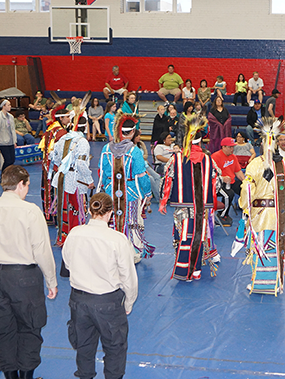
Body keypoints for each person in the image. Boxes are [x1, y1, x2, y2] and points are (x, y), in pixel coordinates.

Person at [0, 165, 58, 379]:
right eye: (27, 185)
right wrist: (51, 280)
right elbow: (41, 250)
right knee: (30, 328)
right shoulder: (30, 211)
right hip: (24, 278)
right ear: (21, 184)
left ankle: (10, 377)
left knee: (2, 329)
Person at [63, 193, 138, 379]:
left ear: (89, 210)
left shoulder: (74, 233)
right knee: (115, 348)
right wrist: (128, 302)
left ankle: (85, 376)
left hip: (79, 300)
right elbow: (128, 277)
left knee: (84, 346)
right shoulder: (118, 239)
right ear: (111, 213)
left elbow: (68, 262)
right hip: (108, 301)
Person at [233, 117, 285, 294]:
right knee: (276, 246)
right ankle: (276, 283)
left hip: (259, 214)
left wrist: (245, 207)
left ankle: (259, 284)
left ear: (263, 144)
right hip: (279, 214)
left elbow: (246, 189)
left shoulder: (255, 164)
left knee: (260, 247)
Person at [159, 113, 220, 281]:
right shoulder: (209, 160)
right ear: (200, 142)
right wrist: (210, 198)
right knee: (199, 235)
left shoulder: (176, 159)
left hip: (182, 206)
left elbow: (167, 180)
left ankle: (183, 269)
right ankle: (197, 270)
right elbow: (217, 182)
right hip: (203, 208)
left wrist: (163, 203)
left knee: (183, 235)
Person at [97, 111, 153, 262]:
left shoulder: (106, 149)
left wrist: (107, 186)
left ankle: (112, 251)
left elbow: (101, 172)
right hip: (131, 193)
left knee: (113, 220)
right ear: (133, 132)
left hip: (110, 192)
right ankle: (132, 253)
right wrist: (147, 192)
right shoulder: (134, 151)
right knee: (132, 221)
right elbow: (142, 175)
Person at [49, 114, 94, 253]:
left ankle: (63, 237)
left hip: (62, 178)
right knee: (76, 208)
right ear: (85, 126)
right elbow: (80, 163)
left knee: (64, 207)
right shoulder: (82, 142)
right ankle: (76, 239)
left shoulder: (63, 138)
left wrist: (62, 166)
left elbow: (53, 157)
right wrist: (89, 180)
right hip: (75, 180)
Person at [39, 106, 70, 225]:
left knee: (48, 189)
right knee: (53, 190)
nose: (69, 119)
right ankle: (53, 215)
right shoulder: (61, 132)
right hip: (53, 167)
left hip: (47, 166)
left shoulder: (52, 128)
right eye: (67, 117)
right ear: (60, 118)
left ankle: (49, 215)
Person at [212, 137, 245, 227]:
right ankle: (222, 215)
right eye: (230, 147)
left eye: (232, 147)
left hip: (232, 181)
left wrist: (245, 182)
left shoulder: (233, 157)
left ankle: (246, 211)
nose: (232, 149)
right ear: (223, 147)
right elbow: (212, 174)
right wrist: (222, 178)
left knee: (244, 189)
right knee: (229, 194)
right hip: (219, 183)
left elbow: (238, 171)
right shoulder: (215, 157)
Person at [0, 99, 17, 175]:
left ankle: (8, 175)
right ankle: (3, 175)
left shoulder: (11, 117)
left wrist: (14, 141)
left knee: (12, 160)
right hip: (2, 142)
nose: (10, 106)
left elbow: (13, 130)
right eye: (8, 105)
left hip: (10, 141)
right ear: (3, 106)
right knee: (8, 160)